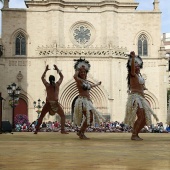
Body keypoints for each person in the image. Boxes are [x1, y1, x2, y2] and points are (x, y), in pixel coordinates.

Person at [124, 51, 159, 140]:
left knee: (145, 119)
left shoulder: (138, 76)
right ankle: (134, 135)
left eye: (138, 65)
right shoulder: (132, 75)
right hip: (135, 97)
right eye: (136, 65)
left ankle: (135, 133)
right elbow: (131, 69)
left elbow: (141, 85)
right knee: (141, 116)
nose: (137, 66)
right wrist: (132, 58)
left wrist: (143, 88)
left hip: (142, 98)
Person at [73, 58, 105, 139]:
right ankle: (81, 133)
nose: (83, 73)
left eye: (84, 72)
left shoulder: (86, 82)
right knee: (89, 118)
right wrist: (78, 69)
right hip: (82, 101)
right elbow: (74, 76)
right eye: (81, 72)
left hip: (87, 101)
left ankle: (81, 132)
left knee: (90, 118)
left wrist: (98, 84)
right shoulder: (79, 80)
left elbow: (91, 86)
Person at [34, 64, 68, 134]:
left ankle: (36, 130)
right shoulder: (57, 85)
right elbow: (62, 77)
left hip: (48, 103)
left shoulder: (47, 85)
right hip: (55, 104)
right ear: (54, 80)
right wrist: (57, 69)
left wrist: (46, 70)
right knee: (62, 116)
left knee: (41, 116)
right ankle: (62, 130)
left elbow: (42, 78)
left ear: (49, 80)